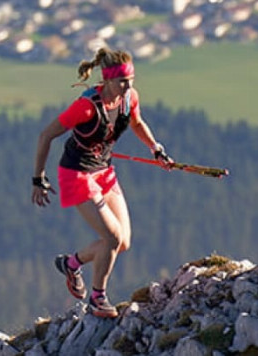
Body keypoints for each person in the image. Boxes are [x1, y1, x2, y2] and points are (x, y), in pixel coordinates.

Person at [30, 47, 174, 318]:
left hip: (104, 172)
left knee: (123, 242)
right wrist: (38, 178)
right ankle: (98, 298)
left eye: (131, 80)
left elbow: (137, 122)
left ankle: (71, 264)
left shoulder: (129, 98)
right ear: (107, 80)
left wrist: (156, 149)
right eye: (122, 81)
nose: (128, 85)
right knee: (112, 237)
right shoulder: (85, 107)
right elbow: (46, 135)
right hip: (77, 174)